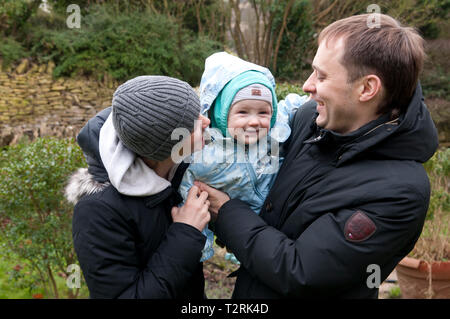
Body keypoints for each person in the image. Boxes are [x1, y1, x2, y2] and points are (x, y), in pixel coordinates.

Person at [195, 13, 439, 298]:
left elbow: (300, 270)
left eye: (321, 76)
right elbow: (253, 164)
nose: (307, 86)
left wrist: (225, 212)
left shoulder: (401, 193)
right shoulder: (311, 118)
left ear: (367, 88)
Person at [65, 75, 211, 298]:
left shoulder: (181, 174)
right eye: (193, 122)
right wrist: (185, 232)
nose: (206, 121)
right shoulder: (97, 213)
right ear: (168, 147)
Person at [178, 52, 308, 263]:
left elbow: (287, 107)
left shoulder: (274, 134)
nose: (255, 121)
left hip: (274, 222)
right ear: (222, 114)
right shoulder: (206, 155)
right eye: (243, 112)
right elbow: (189, 195)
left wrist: (312, 100)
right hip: (235, 223)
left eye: (263, 113)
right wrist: (201, 243)